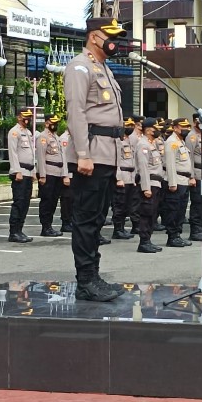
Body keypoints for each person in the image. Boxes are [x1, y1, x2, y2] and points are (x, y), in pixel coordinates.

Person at [64, 17, 127, 301]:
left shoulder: (104, 68)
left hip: (107, 153)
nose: (115, 41)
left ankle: (94, 276)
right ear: (93, 37)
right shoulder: (79, 66)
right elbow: (76, 111)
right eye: (110, 35)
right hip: (91, 153)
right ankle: (85, 281)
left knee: (99, 218)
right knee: (86, 219)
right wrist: (82, 155)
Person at [163, 118, 195, 247]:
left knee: (181, 210)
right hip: (176, 180)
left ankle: (177, 234)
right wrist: (172, 182)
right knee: (173, 209)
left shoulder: (180, 142)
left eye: (188, 127)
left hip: (184, 180)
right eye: (183, 127)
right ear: (175, 128)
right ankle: (172, 236)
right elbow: (170, 164)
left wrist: (191, 177)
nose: (186, 129)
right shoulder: (172, 142)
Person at [135, 118, 165, 253]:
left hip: (156, 183)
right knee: (146, 213)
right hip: (150, 184)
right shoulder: (143, 145)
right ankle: (144, 242)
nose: (157, 131)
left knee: (152, 213)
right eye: (155, 128)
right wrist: (146, 187)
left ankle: (148, 240)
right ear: (148, 130)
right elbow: (143, 168)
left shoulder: (152, 144)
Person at [36, 114, 68, 237]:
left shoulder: (57, 137)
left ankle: (49, 226)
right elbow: (41, 157)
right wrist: (42, 175)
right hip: (48, 173)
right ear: (46, 123)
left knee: (54, 200)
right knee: (47, 200)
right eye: (52, 122)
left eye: (56, 122)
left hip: (58, 173)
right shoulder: (43, 137)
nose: (55, 124)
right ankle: (45, 227)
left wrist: (65, 174)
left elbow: (63, 157)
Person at [7, 108, 36, 243]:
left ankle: (20, 229)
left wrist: (34, 171)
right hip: (20, 172)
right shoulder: (14, 132)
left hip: (28, 172)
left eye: (30, 117)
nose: (28, 119)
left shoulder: (28, 133)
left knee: (25, 203)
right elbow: (13, 153)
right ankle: (14, 232)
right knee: (19, 202)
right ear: (19, 117)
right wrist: (16, 170)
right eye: (26, 116)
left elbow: (31, 153)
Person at [185, 113, 202, 241]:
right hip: (197, 174)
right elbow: (189, 158)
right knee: (198, 203)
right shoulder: (191, 137)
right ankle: (195, 230)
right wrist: (191, 176)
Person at [111, 117, 137, 240]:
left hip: (130, 177)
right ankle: (117, 229)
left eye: (132, 126)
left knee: (127, 205)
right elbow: (116, 161)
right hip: (122, 176)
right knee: (119, 204)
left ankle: (122, 228)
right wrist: (118, 178)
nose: (130, 128)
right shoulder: (117, 140)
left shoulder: (131, 140)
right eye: (128, 125)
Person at [59, 125, 73, 232]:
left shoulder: (73, 137)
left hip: (74, 174)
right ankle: (66, 222)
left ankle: (71, 221)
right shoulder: (64, 138)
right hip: (67, 174)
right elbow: (64, 159)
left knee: (73, 200)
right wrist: (65, 175)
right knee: (66, 200)